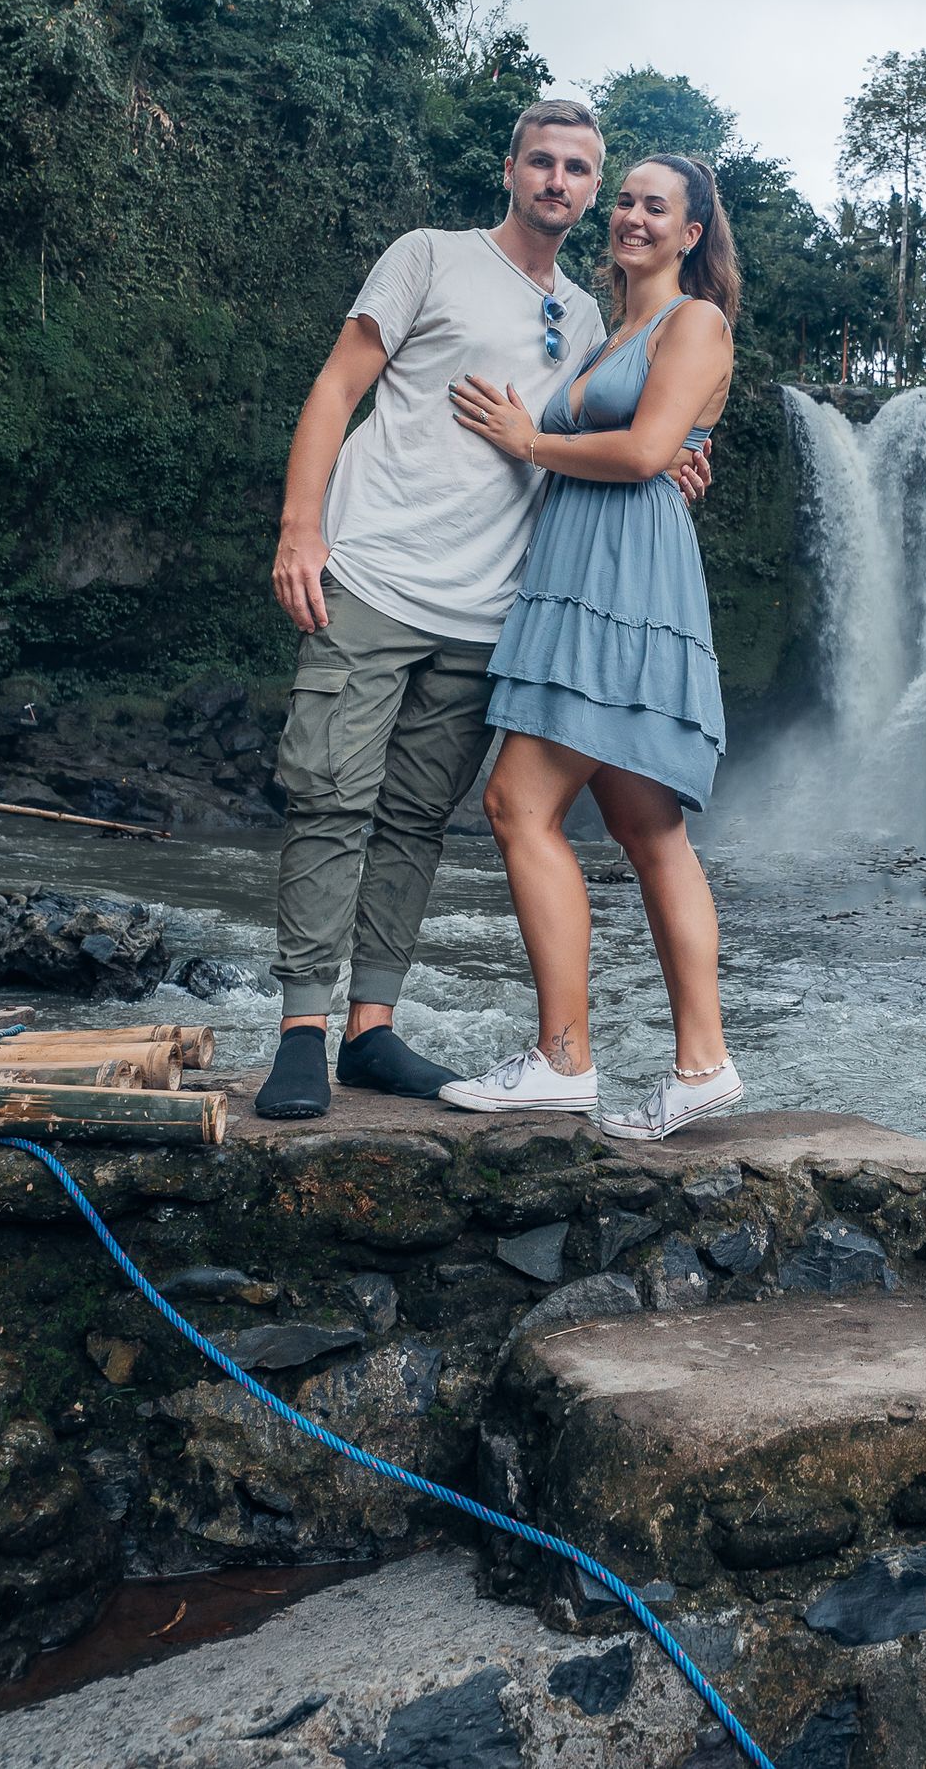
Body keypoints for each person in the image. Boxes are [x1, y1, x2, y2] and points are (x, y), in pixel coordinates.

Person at [254, 100, 706, 1122]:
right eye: (541, 161)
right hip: (370, 571)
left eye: (577, 169)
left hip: (492, 608)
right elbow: (335, 389)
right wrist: (299, 529)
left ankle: (371, 1029)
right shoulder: (427, 257)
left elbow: (627, 440)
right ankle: (298, 1029)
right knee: (327, 792)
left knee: (416, 817)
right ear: (509, 170)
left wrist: (676, 460)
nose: (558, 180)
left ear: (593, 194)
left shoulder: (595, 322)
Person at [439, 154, 740, 1141]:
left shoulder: (692, 321)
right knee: (648, 833)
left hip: (621, 583)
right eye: (627, 201)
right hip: (591, 574)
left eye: (657, 206)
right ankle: (699, 1066)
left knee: (516, 801)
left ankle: (564, 1058)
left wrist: (531, 443)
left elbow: (650, 453)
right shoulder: (617, 331)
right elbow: (656, 449)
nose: (632, 217)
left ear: (691, 233)